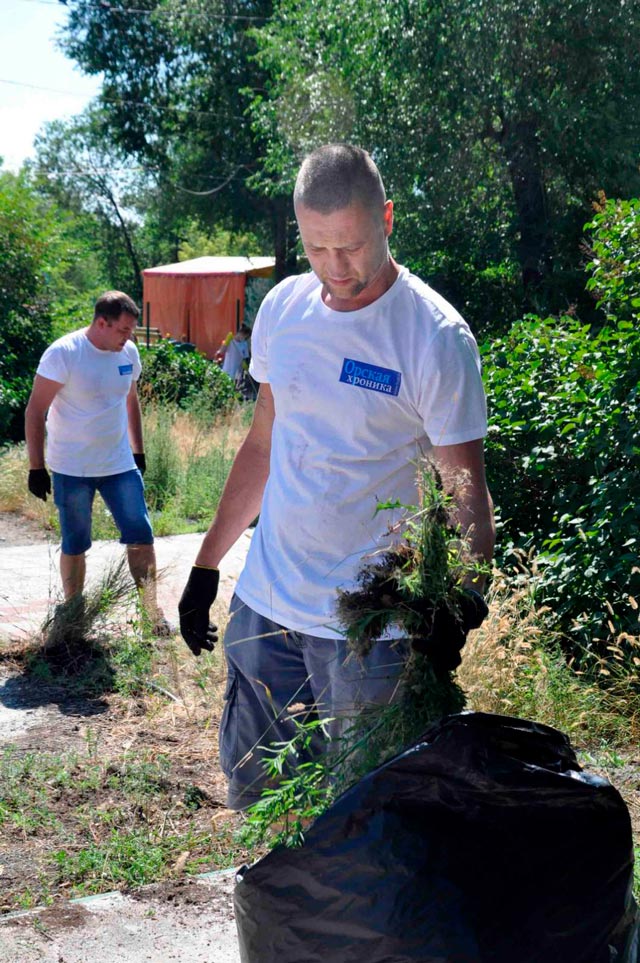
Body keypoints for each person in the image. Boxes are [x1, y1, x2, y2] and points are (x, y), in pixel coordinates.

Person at [178, 145, 495, 810]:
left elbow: (464, 487)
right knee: (261, 801)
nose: (335, 268)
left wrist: (462, 602)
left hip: (372, 634)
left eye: (349, 246)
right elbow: (262, 444)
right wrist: (207, 565)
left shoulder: (434, 337)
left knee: (367, 819)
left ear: (385, 217)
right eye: (317, 248)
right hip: (268, 607)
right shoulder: (285, 311)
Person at [25, 290, 171, 636]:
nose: (128, 338)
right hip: (72, 469)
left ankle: (151, 612)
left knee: (141, 535)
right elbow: (35, 410)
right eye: (122, 330)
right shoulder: (64, 354)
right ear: (101, 323)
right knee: (75, 542)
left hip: (119, 465)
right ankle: (73, 616)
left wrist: (138, 449)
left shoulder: (128, 353)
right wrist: (36, 467)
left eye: (131, 331)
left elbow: (130, 399)